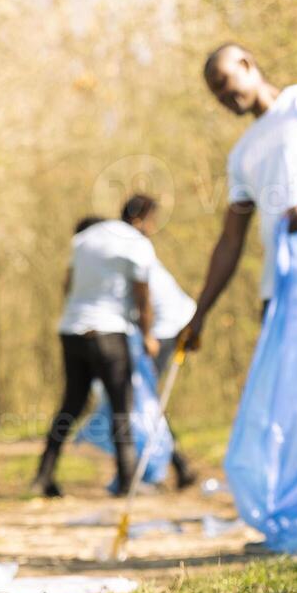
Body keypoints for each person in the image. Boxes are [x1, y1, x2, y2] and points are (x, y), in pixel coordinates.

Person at [183, 43, 297, 345]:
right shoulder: (240, 154)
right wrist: (199, 314)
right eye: (215, 93)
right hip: (278, 291)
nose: (222, 95)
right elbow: (230, 240)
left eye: (223, 82)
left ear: (247, 64)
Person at [33, 214, 159, 498]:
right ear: (141, 220)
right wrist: (148, 335)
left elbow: (67, 285)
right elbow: (143, 295)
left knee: (71, 405)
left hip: (72, 330)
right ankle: (128, 481)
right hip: (110, 332)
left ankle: (43, 476)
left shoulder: (82, 240)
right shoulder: (135, 242)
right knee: (121, 407)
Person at [119, 194, 198, 489]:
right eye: (152, 219)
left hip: (167, 326)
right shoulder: (130, 242)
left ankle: (173, 465)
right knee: (146, 399)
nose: (153, 226)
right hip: (166, 325)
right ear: (138, 218)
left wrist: (147, 335)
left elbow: (145, 296)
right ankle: (176, 465)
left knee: (147, 401)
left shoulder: (131, 243)